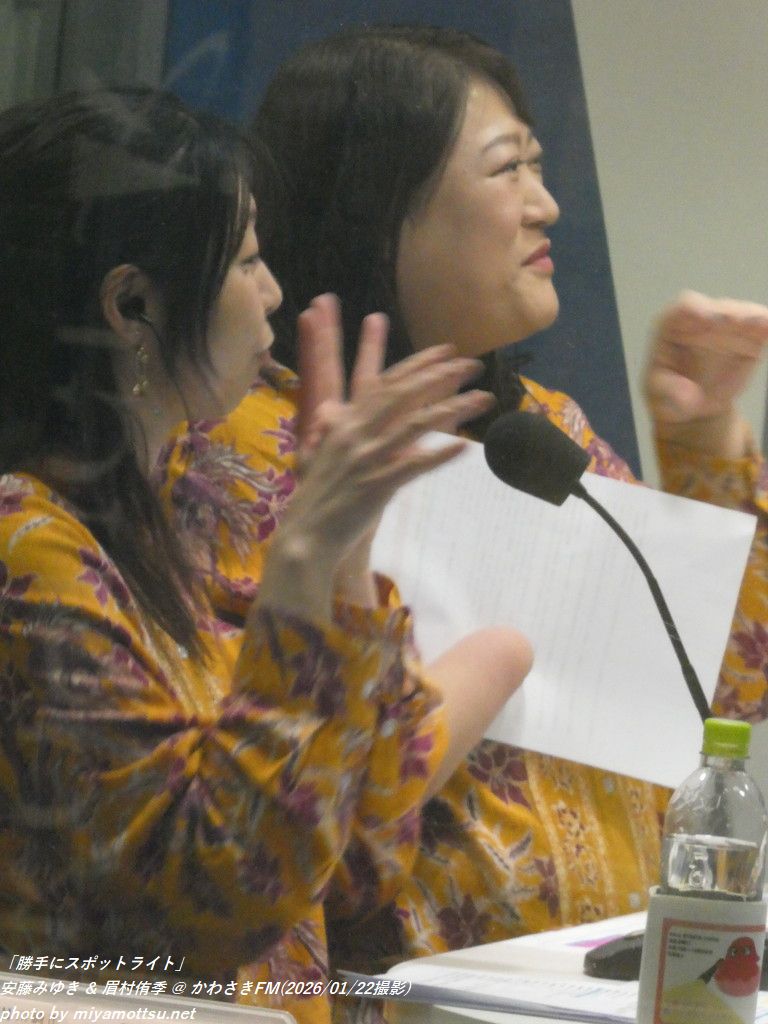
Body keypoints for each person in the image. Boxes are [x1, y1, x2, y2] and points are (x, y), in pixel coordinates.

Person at [0, 86, 534, 1024]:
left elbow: (359, 858)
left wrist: (345, 558)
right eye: (246, 261)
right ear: (132, 305)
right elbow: (218, 903)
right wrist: (301, 562)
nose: (275, 293)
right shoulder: (28, 546)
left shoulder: (174, 513)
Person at [251, 21, 768, 989]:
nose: (547, 204)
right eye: (507, 169)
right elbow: (297, 823)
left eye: (538, 163)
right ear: (379, 209)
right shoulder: (262, 455)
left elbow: (727, 688)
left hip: (606, 987)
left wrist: (705, 442)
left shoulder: (542, 429)